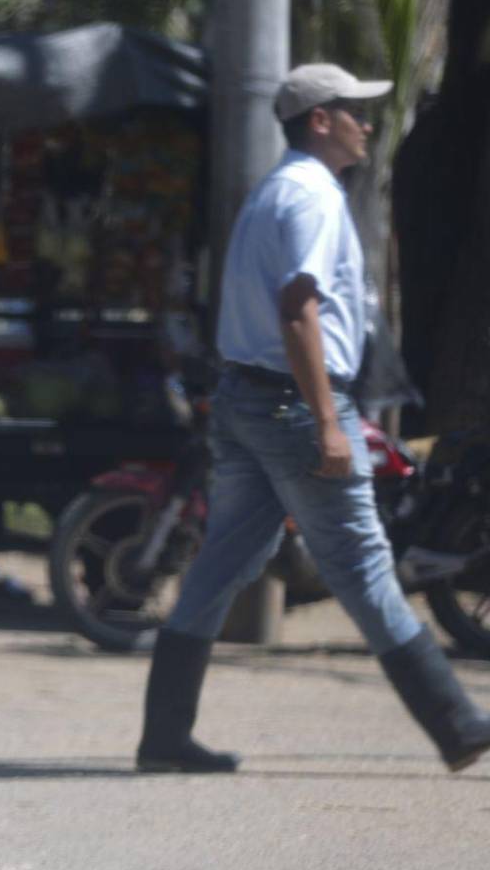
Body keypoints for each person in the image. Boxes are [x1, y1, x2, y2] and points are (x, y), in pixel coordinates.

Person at [136, 63, 490, 774]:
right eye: (354, 110)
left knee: (223, 564)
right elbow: (298, 309)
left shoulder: (276, 190)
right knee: (361, 563)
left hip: (248, 398)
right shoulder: (311, 197)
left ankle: (164, 738)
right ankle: (456, 722)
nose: (367, 122)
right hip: (296, 404)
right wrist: (329, 421)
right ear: (319, 121)